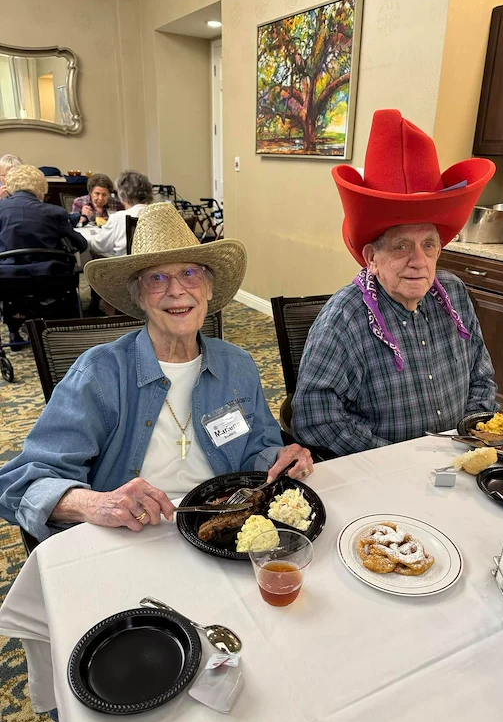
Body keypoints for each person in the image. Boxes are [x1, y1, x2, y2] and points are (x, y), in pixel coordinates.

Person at [0, 202, 313, 542]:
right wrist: (96, 503)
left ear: (208, 288)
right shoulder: (99, 373)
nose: (177, 290)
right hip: (133, 534)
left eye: (190, 274)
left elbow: (259, 450)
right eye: (157, 278)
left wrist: (282, 456)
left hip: (223, 528)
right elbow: (23, 483)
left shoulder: (238, 365)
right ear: (139, 298)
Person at [291, 109, 498, 457]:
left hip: (462, 457)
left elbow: (482, 378)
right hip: (386, 472)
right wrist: (395, 459)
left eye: (429, 245)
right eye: (402, 246)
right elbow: (314, 418)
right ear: (372, 257)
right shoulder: (344, 317)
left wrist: (471, 439)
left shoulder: (456, 295)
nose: (419, 261)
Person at [0, 164, 88, 345]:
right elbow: (80, 244)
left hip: (7, 278)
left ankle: (14, 331)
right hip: (49, 278)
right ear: (41, 188)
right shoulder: (54, 212)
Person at [87, 170, 153, 258]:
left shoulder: (118, 217)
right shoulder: (158, 214)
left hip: (124, 268)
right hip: (153, 267)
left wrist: (90, 240)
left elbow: (100, 246)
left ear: (122, 195)